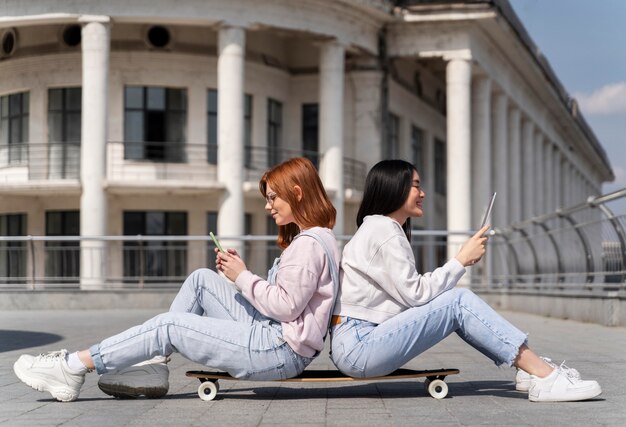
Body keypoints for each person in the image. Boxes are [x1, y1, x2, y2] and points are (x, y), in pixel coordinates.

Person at [14, 157, 341, 402]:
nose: (268, 206)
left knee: (169, 325)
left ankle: (73, 367)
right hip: (275, 336)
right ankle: (155, 365)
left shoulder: (309, 244)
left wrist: (242, 277)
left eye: (273, 198)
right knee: (201, 280)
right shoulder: (315, 238)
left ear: (297, 193)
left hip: (279, 348)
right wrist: (239, 274)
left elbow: (285, 307)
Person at [329, 159, 601, 403]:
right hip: (359, 346)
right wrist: (460, 261)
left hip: (357, 342)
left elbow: (412, 295)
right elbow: (416, 294)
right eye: (415, 186)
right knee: (459, 302)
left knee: (456, 302)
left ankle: (528, 369)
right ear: (393, 188)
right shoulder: (383, 229)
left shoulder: (380, 228)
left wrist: (460, 262)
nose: (422, 193)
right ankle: (544, 375)